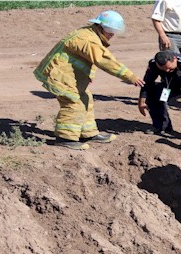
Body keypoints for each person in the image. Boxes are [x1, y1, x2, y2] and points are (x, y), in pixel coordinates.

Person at [34, 11, 144, 150]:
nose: (112, 35)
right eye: (110, 31)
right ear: (101, 27)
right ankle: (64, 138)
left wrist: (88, 77)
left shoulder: (90, 34)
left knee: (86, 98)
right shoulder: (88, 39)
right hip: (59, 75)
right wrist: (129, 76)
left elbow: (85, 59)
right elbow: (104, 60)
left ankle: (88, 133)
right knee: (74, 103)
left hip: (68, 76)